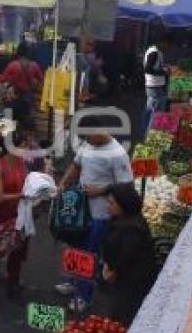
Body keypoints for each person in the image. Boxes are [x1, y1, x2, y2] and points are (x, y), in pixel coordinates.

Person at [56, 113, 134, 313]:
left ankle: (84, 296)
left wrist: (99, 191)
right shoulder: (88, 144)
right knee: (75, 244)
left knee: (88, 253)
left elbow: (125, 185)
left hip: (100, 214)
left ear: (98, 132)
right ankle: (74, 282)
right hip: (80, 209)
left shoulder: (117, 154)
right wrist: (64, 182)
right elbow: (76, 164)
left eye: (88, 137)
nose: (87, 141)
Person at [100, 184, 156, 325]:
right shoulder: (125, 220)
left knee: (120, 318)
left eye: (111, 203)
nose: (108, 206)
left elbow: (126, 257)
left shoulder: (131, 229)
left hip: (129, 286)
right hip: (124, 281)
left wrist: (112, 271)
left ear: (123, 205)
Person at [0, 131, 29, 299]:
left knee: (16, 251)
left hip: (17, 215)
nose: (27, 148)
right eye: (24, 145)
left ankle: (13, 283)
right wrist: (22, 195)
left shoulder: (21, 163)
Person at [0, 42, 43, 127]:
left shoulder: (13, 65)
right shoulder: (34, 66)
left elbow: (2, 81)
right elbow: (41, 81)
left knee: (7, 124)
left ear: (18, 52)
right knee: (23, 125)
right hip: (27, 101)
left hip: (13, 99)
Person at [143, 37, 170, 137]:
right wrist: (164, 72)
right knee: (156, 115)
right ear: (162, 42)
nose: (168, 47)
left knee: (150, 112)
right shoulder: (154, 52)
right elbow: (148, 69)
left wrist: (163, 68)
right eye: (168, 44)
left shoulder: (156, 51)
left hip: (154, 86)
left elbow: (153, 67)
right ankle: (151, 139)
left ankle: (147, 135)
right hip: (155, 87)